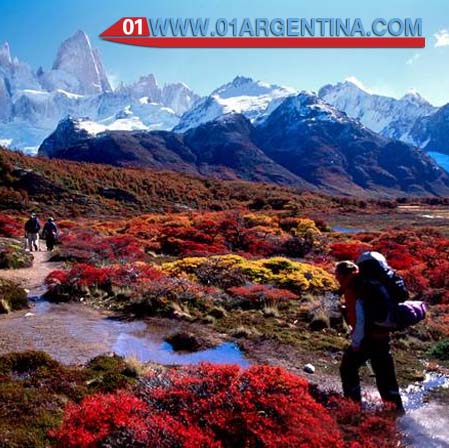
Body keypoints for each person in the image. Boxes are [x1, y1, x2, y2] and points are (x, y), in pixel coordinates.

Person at [335, 259, 404, 414]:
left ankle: (353, 407)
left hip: (367, 339)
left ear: (343, 274)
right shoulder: (370, 284)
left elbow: (359, 321)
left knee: (348, 368)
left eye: (337, 276)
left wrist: (356, 343)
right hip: (382, 336)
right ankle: (397, 412)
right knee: (385, 375)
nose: (336, 279)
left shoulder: (354, 288)